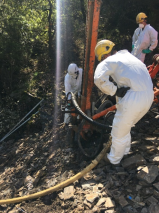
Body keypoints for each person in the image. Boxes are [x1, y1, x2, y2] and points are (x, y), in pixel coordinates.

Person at [94, 39, 154, 165]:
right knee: (125, 126)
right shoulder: (130, 57)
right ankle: (125, 151)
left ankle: (113, 160)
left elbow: (98, 78)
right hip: (148, 96)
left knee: (118, 129)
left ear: (105, 55)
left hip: (134, 98)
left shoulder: (110, 60)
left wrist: (114, 90)